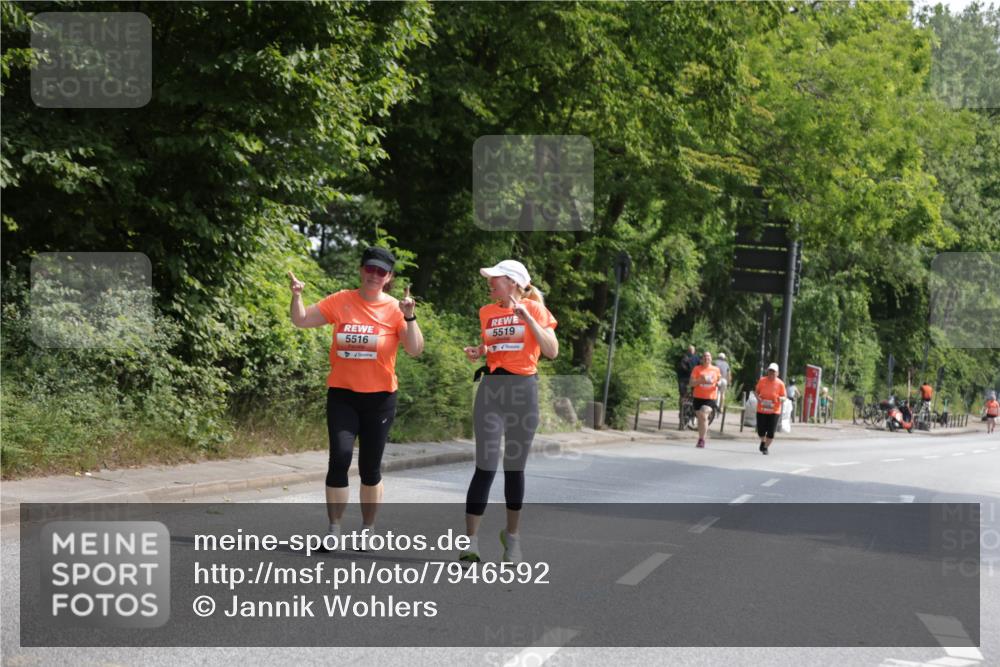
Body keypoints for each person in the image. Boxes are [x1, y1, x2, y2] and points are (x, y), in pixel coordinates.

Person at [288, 246, 424, 547]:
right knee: (339, 458)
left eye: (381, 272)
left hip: (380, 399)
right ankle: (334, 529)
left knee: (370, 468)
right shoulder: (342, 300)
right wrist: (297, 295)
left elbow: (415, 350)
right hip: (343, 395)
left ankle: (367, 528)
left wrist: (410, 317)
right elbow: (300, 320)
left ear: (388, 277)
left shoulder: (395, 309)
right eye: (370, 269)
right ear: (361, 270)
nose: (374, 275)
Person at [458, 260, 558, 564]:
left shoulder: (536, 309)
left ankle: (512, 538)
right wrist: (481, 351)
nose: (489, 283)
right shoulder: (486, 312)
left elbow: (551, 351)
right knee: (485, 467)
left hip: (523, 392)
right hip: (491, 391)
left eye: (494, 279)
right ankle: (470, 543)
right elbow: (500, 346)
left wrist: (527, 317)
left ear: (513, 282)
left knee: (514, 469)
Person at [689, 351, 722, 448]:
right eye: (704, 356)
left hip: (710, 397)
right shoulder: (697, 369)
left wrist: (719, 384)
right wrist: (700, 380)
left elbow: (720, 381)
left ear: (711, 359)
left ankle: (702, 440)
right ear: (701, 359)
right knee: (700, 418)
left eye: (708, 356)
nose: (706, 358)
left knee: (703, 416)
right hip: (698, 397)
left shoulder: (716, 369)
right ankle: (701, 436)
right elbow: (691, 383)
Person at [754, 362, 787, 455]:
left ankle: (765, 447)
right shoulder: (762, 380)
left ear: (777, 373)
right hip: (761, 409)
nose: (771, 374)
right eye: (770, 371)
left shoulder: (780, 384)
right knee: (761, 430)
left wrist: (780, 398)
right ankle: (763, 441)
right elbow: (756, 392)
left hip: (774, 411)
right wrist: (758, 398)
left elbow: (784, 397)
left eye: (773, 372)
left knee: (771, 432)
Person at [675, 344, 700, 420]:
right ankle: (691, 409)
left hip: (682, 379)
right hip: (692, 379)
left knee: (682, 395)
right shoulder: (697, 358)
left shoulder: (683, 357)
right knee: (694, 394)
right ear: (694, 351)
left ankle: (681, 410)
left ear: (687, 351)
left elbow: (679, 368)